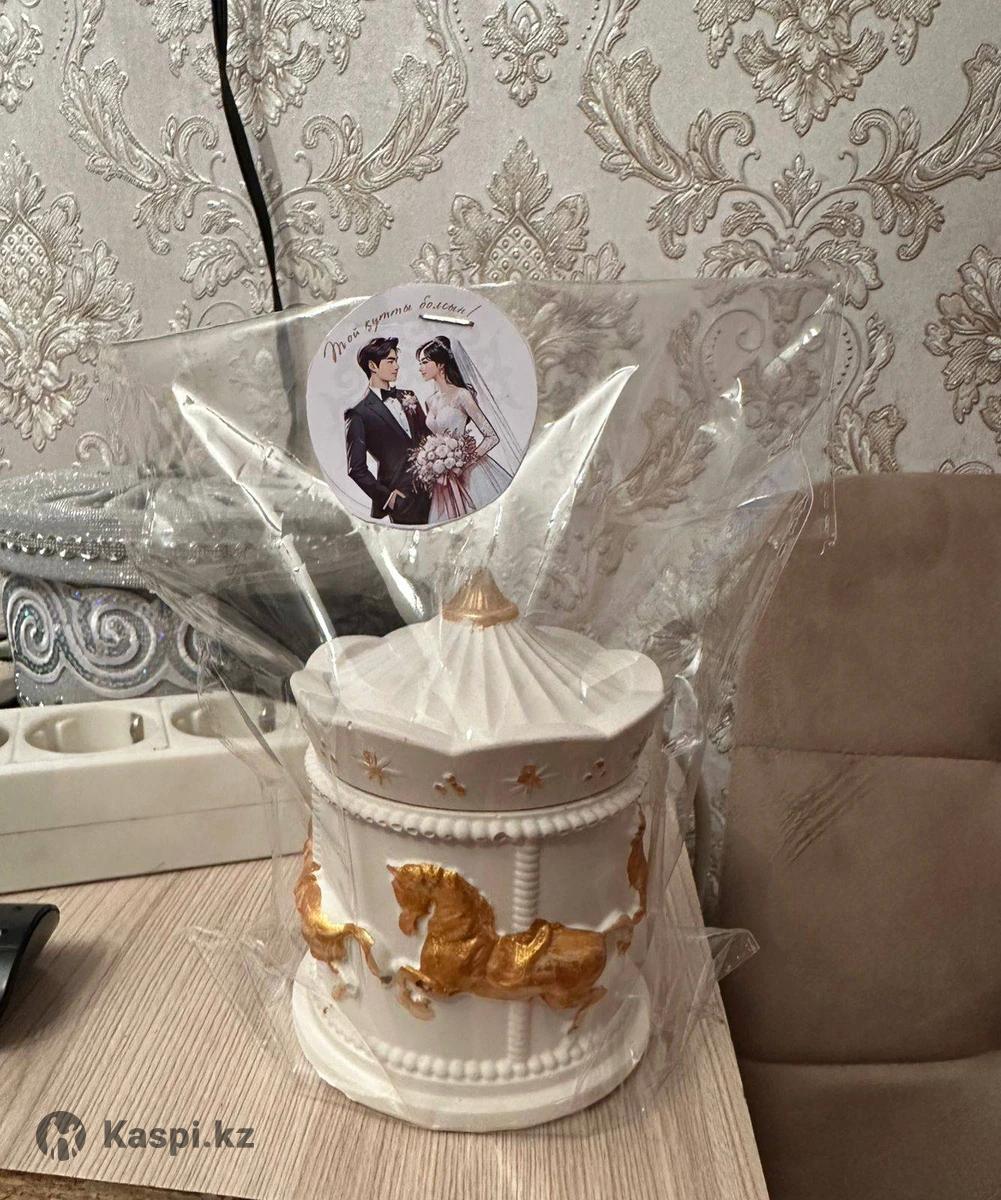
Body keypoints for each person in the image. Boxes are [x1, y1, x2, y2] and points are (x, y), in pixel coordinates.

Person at [416, 336, 513, 524]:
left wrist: (463, 461)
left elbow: (491, 437)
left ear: (441, 364)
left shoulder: (462, 395)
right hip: (443, 478)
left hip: (471, 472)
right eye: (420, 363)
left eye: (425, 362)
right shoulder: (430, 401)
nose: (421, 368)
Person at [344, 336, 430, 525]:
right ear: (372, 366)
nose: (397, 366)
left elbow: (427, 437)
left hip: (434, 490)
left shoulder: (409, 396)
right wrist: (389, 498)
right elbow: (356, 468)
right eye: (390, 361)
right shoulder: (358, 413)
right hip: (402, 500)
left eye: (396, 361)